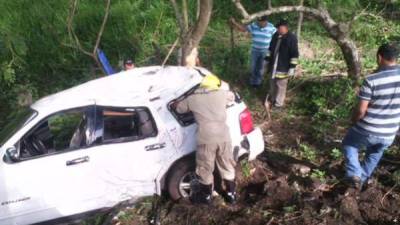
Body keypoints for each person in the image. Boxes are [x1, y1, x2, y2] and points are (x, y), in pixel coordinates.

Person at [342, 43, 400, 190]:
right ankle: (361, 180)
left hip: (368, 129)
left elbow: (361, 110)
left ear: (379, 57)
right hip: (390, 132)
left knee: (349, 144)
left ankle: (354, 174)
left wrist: (353, 121)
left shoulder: (372, 79)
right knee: (375, 153)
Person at [173, 74, 237, 204]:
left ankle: (206, 197)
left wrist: (176, 103)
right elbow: (233, 96)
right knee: (227, 165)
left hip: (206, 138)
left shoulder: (192, 99)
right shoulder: (222, 94)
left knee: (205, 168)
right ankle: (231, 194)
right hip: (224, 136)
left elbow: (179, 109)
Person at [230, 16, 276, 87]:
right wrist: (234, 23)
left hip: (265, 51)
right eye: (259, 22)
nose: (259, 24)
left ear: (265, 21)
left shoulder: (271, 27)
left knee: (261, 67)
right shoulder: (254, 25)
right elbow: (243, 29)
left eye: (261, 22)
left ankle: (258, 83)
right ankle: (252, 82)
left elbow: (277, 35)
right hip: (255, 50)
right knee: (252, 67)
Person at [264, 20, 299, 109]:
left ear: (285, 28)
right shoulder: (275, 36)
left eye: (279, 28)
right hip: (273, 66)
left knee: (281, 86)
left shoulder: (292, 38)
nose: (278, 30)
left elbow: (294, 54)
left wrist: (292, 67)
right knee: (272, 83)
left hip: (283, 67)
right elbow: (270, 49)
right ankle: (272, 99)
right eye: (277, 28)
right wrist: (266, 60)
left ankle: (278, 104)